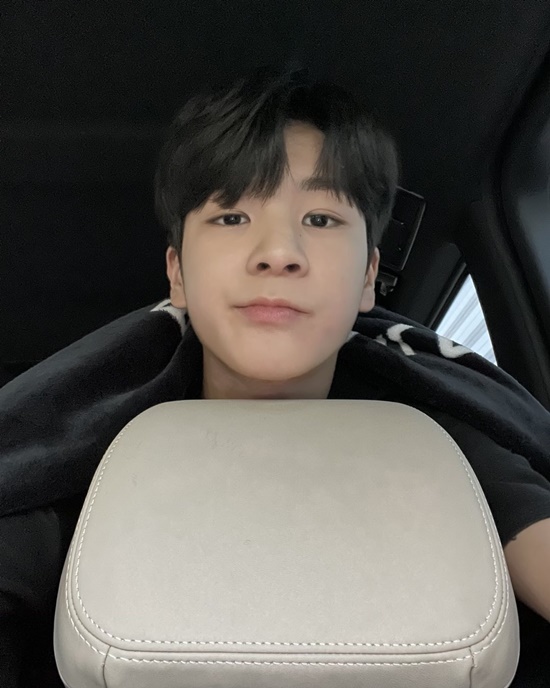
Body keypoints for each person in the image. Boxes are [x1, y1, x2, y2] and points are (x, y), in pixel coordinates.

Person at [1, 66, 550, 687]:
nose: (279, 252)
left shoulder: (444, 443)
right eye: (232, 217)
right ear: (177, 273)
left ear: (369, 276)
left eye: (321, 219)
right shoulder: (79, 444)